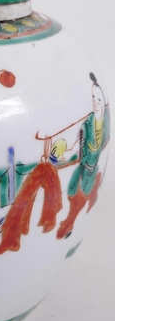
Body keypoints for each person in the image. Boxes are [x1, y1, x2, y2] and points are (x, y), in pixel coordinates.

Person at [56, 73, 110, 239]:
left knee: (80, 198)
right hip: (82, 167)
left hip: (92, 170)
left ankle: (68, 227)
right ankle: (67, 226)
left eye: (98, 100)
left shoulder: (105, 122)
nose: (95, 103)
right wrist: (67, 153)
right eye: (93, 99)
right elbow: (77, 143)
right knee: (72, 194)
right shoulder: (87, 123)